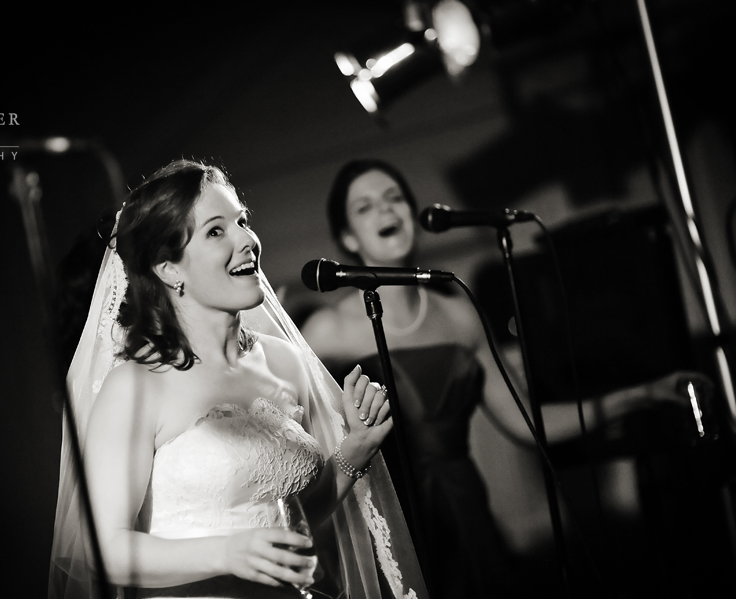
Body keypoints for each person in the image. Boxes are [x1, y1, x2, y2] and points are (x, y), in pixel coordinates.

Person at [300, 158, 708, 598]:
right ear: (346, 237)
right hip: (392, 519)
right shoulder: (326, 332)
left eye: (394, 198)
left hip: (469, 516)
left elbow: (529, 423)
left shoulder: (459, 313)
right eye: (365, 207)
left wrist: (642, 394)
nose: (385, 211)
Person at [48, 159, 429, 599]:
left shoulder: (284, 362)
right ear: (169, 269)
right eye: (216, 230)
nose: (247, 240)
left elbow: (297, 517)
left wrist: (355, 449)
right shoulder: (136, 387)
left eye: (242, 221)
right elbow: (103, 549)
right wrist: (227, 552)